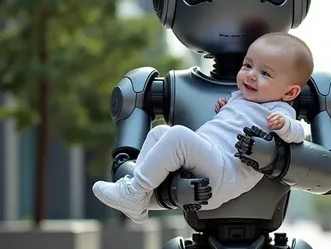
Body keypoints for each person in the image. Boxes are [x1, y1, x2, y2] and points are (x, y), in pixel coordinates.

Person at [92, 32, 312, 222]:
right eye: (247, 65)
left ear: (290, 93)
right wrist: (227, 110)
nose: (251, 74)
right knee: (159, 132)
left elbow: (299, 132)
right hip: (213, 161)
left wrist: (285, 126)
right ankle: (139, 196)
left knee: (177, 135)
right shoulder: (240, 99)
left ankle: (134, 192)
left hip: (226, 173)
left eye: (265, 73)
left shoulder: (279, 109)